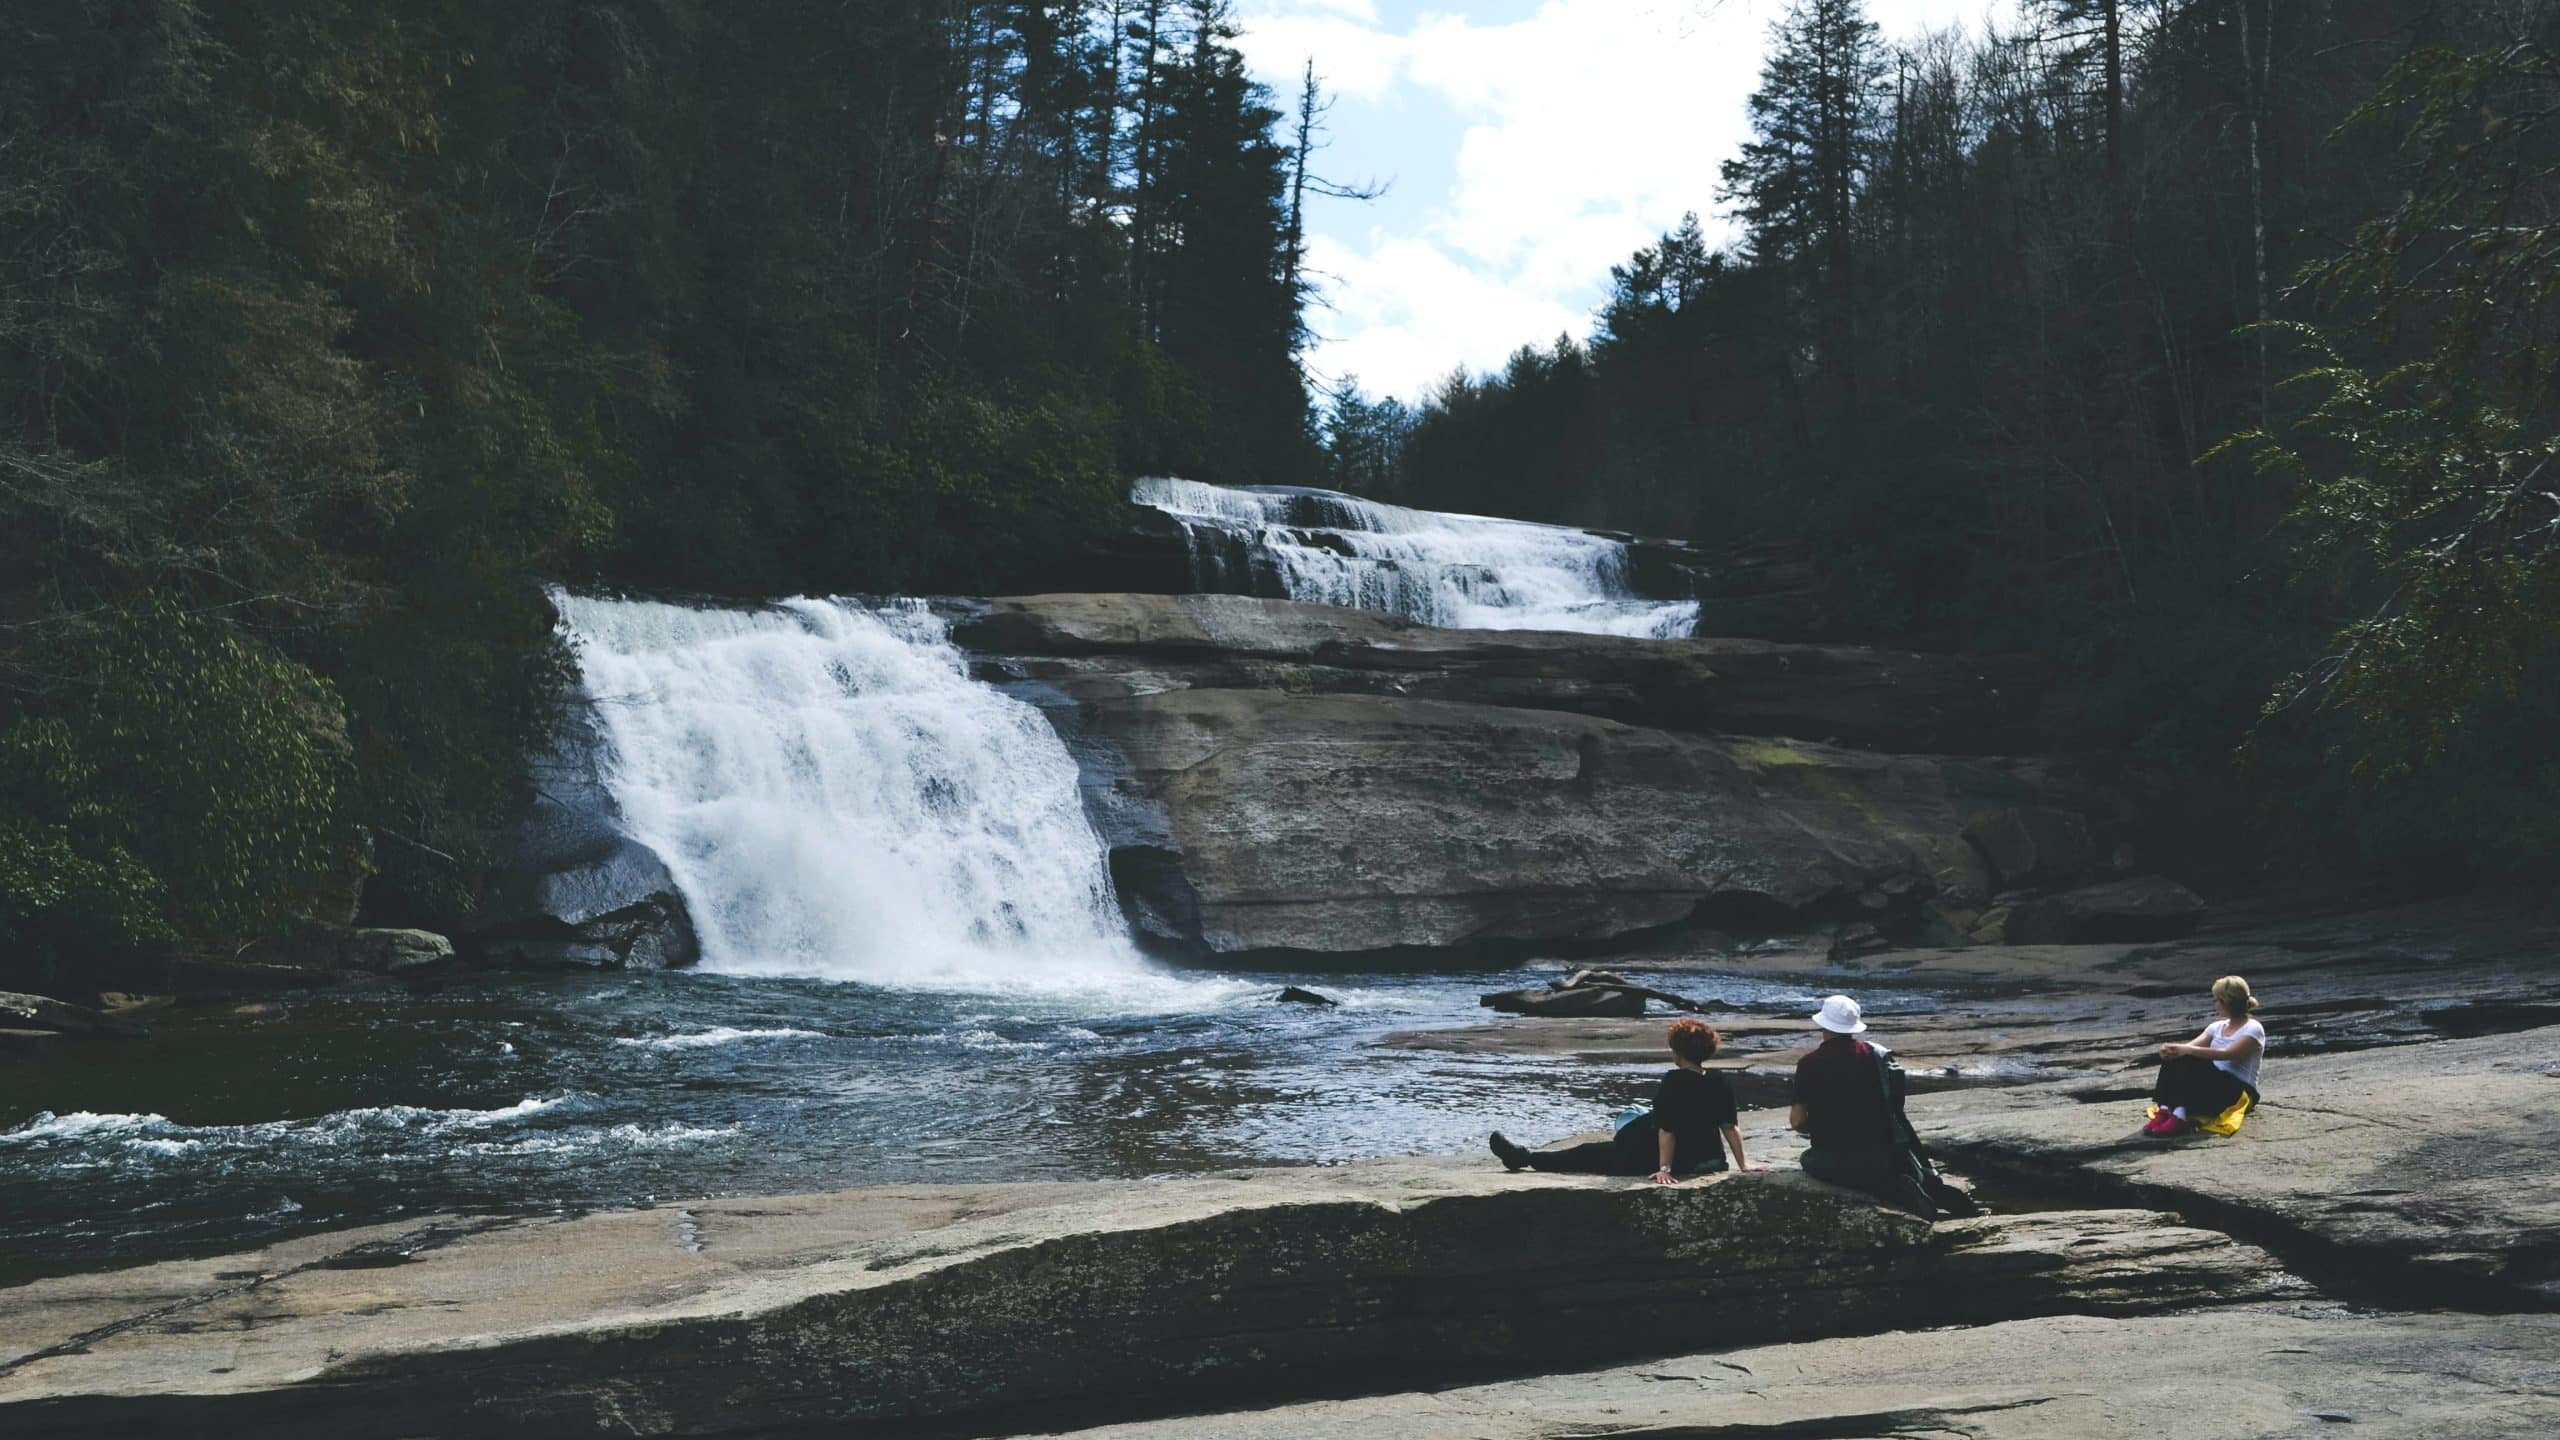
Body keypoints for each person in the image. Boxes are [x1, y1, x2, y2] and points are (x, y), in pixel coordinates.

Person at [1490, 1018, 1760, 1182]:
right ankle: (1524, 1157)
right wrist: (1743, 1165)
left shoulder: (1674, 1080)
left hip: (1667, 1159)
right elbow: (1729, 1127)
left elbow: (1667, 1130)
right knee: (1628, 1125)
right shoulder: (1718, 1080)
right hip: (1708, 1158)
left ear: (1677, 1051)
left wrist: (1664, 1168)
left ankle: (1523, 1158)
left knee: (1585, 1153)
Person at [1789, 994, 1939, 1218]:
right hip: (1881, 1152)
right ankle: (1897, 1183)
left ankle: (1890, 1188)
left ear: (1822, 1023)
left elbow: (1798, 1121)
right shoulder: (1876, 1056)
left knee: (1807, 1160)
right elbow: (1895, 1108)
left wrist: (1821, 1126)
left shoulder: (1809, 1063)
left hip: (1834, 1153)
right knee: (1868, 1165)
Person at [2145, 975, 2266, 1136]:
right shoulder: (2216, 1027)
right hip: (2214, 1088)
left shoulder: (2253, 1028)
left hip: (2238, 1092)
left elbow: (2228, 1054)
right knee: (2178, 1057)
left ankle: (2180, 1116)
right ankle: (2165, 1109)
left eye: (2217, 1000)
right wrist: (2171, 1050)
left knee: (2191, 1056)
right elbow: (2189, 1048)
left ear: (2227, 1002)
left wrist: (2186, 1051)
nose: (2215, 1004)